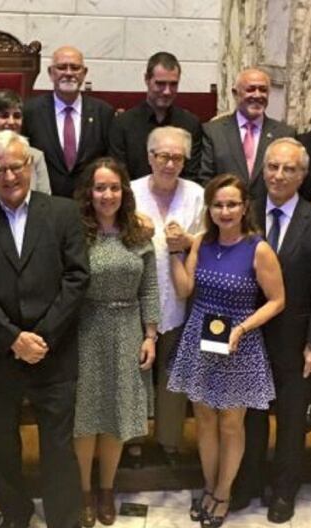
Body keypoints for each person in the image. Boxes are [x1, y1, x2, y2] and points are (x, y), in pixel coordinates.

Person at [0, 130, 90, 528]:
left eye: (17, 166)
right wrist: (13, 338)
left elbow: (77, 278)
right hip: (0, 354)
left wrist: (42, 336)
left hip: (53, 353)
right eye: (0, 169)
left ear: (31, 167)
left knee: (57, 448)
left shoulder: (63, 213)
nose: (10, 175)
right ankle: (12, 514)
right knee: (0, 441)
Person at [168, 173, 284, 528]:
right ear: (210, 209)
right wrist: (176, 252)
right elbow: (186, 289)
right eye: (218, 204)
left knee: (231, 423)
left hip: (240, 342)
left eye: (232, 204)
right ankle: (207, 485)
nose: (225, 210)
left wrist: (243, 327)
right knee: (204, 419)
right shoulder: (202, 242)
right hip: (200, 338)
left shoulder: (258, 248)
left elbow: (278, 300)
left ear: (244, 206)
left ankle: (223, 492)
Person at [234, 137, 311, 523]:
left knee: (293, 418)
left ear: (303, 174)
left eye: (289, 169)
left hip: (296, 341)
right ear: (263, 170)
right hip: (249, 337)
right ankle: (247, 483)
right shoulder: (243, 216)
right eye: (273, 167)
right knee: (251, 416)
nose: (279, 176)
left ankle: (283, 490)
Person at [72, 157, 159, 527]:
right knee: (86, 416)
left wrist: (151, 335)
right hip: (85, 330)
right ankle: (83, 491)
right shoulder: (75, 232)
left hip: (127, 330)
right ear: (88, 193)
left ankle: (107, 488)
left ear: (124, 192)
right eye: (99, 187)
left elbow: (150, 286)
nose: (107, 195)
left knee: (116, 416)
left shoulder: (139, 233)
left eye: (113, 187)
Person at [128, 126, 206, 467]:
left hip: (180, 298)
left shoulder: (196, 194)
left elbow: (209, 239)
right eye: (163, 156)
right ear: (149, 157)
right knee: (136, 373)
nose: (170, 163)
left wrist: (187, 242)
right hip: (135, 299)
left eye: (177, 157)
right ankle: (131, 442)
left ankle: (169, 443)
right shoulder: (129, 192)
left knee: (174, 374)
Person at [22, 45, 115, 198]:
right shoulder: (31, 112)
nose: (69, 73)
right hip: (45, 203)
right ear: (51, 73)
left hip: (89, 204)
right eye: (61, 67)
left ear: (84, 73)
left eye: (75, 68)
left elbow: (109, 162)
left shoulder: (103, 113)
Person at [198, 67, 295, 200]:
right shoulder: (213, 132)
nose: (257, 95)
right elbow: (206, 180)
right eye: (250, 89)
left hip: (268, 216)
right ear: (235, 93)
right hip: (227, 214)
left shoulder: (285, 134)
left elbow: (291, 181)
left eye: (263, 90)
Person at [109, 51, 203, 183]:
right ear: (147, 80)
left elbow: (191, 176)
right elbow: (119, 175)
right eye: (160, 84)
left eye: (173, 84)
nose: (167, 91)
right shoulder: (123, 124)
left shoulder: (190, 124)